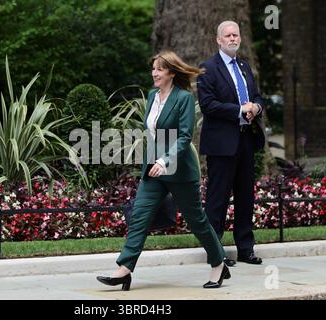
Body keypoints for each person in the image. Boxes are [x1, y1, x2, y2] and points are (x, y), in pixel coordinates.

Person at [96, 50, 230, 291]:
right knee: (139, 216)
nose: (154, 73)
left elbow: (185, 135)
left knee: (197, 221)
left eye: (159, 69)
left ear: (171, 72)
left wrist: (165, 160)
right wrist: (152, 160)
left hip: (178, 169)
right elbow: (153, 133)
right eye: (153, 69)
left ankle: (218, 262)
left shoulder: (184, 98)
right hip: (153, 170)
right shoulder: (151, 96)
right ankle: (124, 269)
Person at [197, 21, 265, 266]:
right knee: (218, 199)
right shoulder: (208, 69)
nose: (233, 38)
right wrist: (239, 110)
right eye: (228, 35)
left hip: (246, 141)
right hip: (221, 145)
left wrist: (255, 107)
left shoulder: (245, 66)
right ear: (218, 40)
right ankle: (216, 252)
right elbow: (208, 105)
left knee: (246, 198)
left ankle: (246, 249)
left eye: (236, 34)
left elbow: (256, 96)